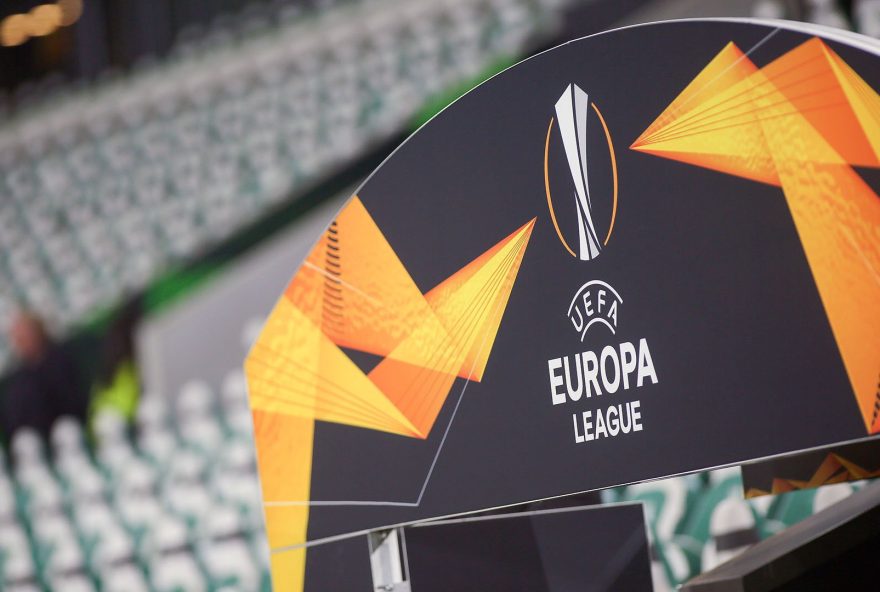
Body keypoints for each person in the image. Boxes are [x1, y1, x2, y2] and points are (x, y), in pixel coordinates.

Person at [2, 310, 87, 441]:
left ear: (38, 332)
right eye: (18, 338)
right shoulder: (19, 379)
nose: (22, 342)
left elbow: (70, 402)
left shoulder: (60, 361)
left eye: (25, 335)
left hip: (67, 434)